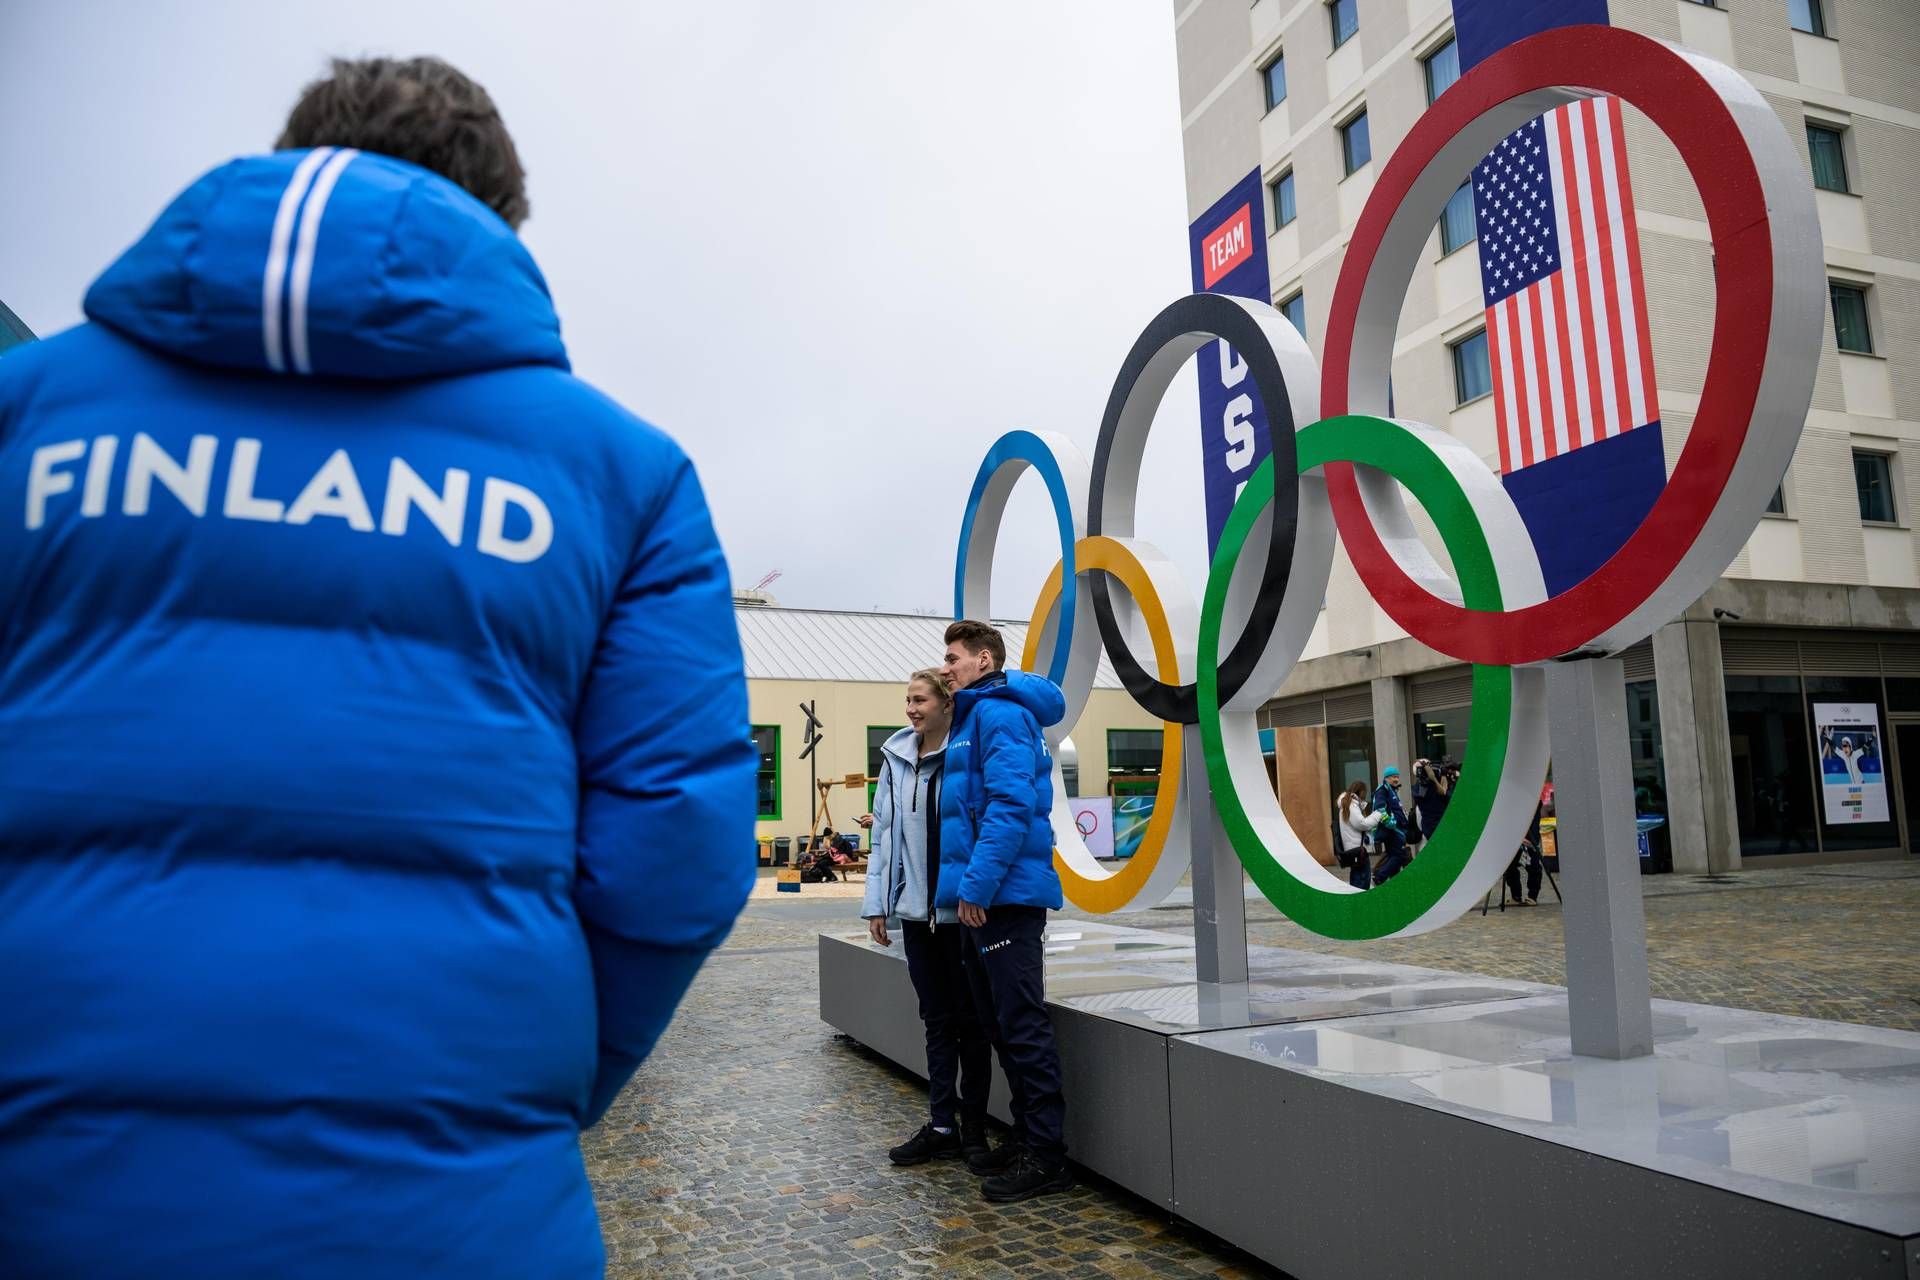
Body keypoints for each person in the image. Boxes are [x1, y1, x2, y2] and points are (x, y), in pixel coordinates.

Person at [0, 57, 756, 1279]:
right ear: (497, 223)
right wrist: (526, 1084)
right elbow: (678, 846)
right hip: (457, 1212)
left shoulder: (26, 415)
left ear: (293, 157)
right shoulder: (624, 473)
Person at [939, 619, 1074, 1203]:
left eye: (954, 658)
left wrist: (976, 886)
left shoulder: (1001, 716)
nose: (946, 667)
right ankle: (1025, 1139)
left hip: (1003, 899)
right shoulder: (973, 717)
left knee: (1020, 1026)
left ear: (984, 662)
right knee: (998, 1024)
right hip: (986, 898)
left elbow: (1010, 807)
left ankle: (1047, 1155)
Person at [861, 669, 992, 1168]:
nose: (912, 709)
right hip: (917, 916)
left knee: (973, 1024)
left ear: (945, 703)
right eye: (908, 700)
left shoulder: (963, 754)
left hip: (961, 916)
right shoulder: (895, 760)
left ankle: (974, 1130)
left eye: (920, 700)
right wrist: (878, 903)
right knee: (936, 1022)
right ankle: (942, 1125)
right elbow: (883, 838)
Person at [1334, 779, 1384, 889]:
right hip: (1357, 851)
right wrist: (1378, 814)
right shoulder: (1351, 805)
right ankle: (1359, 904)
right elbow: (1362, 824)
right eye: (1364, 791)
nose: (1365, 794)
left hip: (1354, 849)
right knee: (1361, 881)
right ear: (1360, 791)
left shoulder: (1348, 804)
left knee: (1357, 878)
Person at [1370, 766, 1413, 884]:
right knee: (1399, 855)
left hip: (1396, 830)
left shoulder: (1391, 790)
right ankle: (1379, 877)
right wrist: (1390, 823)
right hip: (1391, 830)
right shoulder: (1383, 790)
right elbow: (1380, 808)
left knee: (1394, 855)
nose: (1396, 779)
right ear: (1387, 778)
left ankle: (1394, 881)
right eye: (1394, 777)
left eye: (1397, 777)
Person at [1504, 805, 1546, 906]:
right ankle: (1516, 895)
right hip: (1513, 839)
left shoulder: (1534, 804)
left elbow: (1534, 824)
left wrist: (1531, 840)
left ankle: (1532, 896)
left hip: (1528, 840)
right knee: (1508, 867)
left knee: (1533, 867)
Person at [1411, 758, 1454, 845]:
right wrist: (1433, 779)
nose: (1431, 770)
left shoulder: (1431, 784)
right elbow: (1443, 794)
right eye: (1428, 768)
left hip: (1442, 824)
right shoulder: (1419, 789)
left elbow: (1445, 794)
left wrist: (1443, 775)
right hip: (1432, 828)